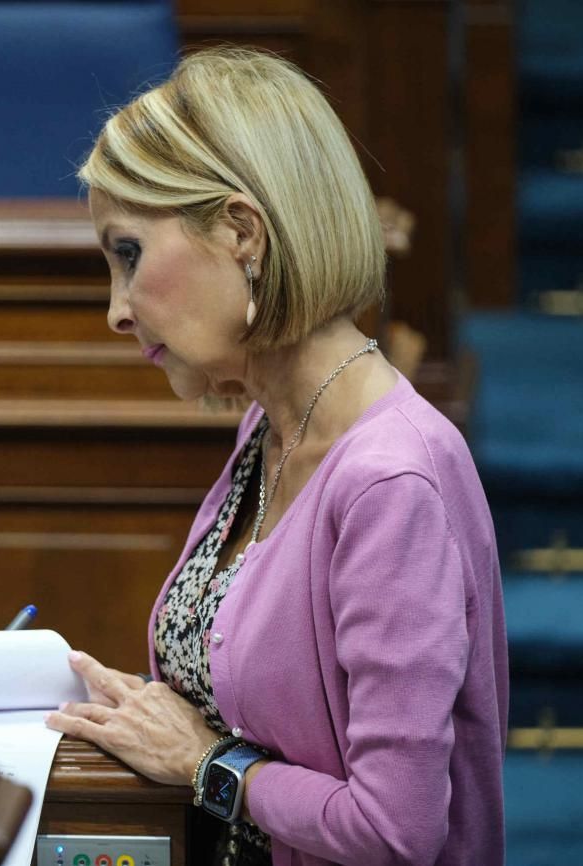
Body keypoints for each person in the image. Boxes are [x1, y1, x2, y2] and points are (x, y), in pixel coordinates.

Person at [44, 47, 507, 866]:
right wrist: (150, 713)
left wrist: (206, 764)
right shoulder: (269, 428)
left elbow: (396, 831)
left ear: (241, 233)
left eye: (128, 256)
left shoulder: (390, 482)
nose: (117, 310)